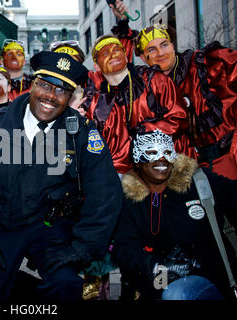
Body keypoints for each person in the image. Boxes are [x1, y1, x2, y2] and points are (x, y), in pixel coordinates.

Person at [0, 51, 123, 300]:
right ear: (32, 84)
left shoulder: (81, 133)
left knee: (66, 285)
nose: (50, 96)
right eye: (45, 85)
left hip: (52, 229)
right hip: (3, 226)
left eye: (62, 90)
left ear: (71, 97)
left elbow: (105, 194)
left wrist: (81, 248)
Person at [112, 129, 237, 300]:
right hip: (160, 281)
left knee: (177, 294)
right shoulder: (130, 200)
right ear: (138, 161)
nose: (161, 158)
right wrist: (157, 267)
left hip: (211, 276)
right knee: (171, 293)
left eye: (166, 152)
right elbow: (125, 248)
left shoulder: (198, 181)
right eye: (151, 152)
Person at [134, 23, 237, 179]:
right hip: (190, 175)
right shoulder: (147, 90)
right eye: (151, 49)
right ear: (143, 57)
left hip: (229, 158)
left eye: (164, 44)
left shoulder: (206, 64)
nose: (161, 53)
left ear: (173, 45)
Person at [83, 34, 194, 174]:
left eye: (117, 50)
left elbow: (180, 118)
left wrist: (144, 131)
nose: (112, 54)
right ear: (96, 65)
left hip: (171, 168)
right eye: (105, 53)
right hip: (129, 178)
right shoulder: (99, 101)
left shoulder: (154, 80)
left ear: (125, 55)